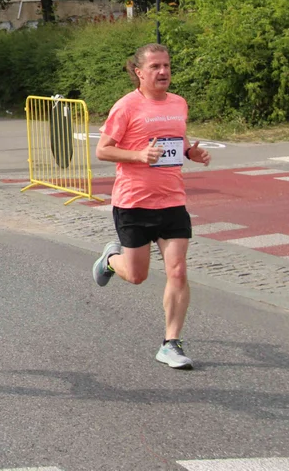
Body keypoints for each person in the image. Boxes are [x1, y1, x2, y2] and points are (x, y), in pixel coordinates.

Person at [92, 43, 211, 370]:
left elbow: (176, 138)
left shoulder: (178, 103)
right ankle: (110, 259)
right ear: (139, 72)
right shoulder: (127, 107)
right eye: (155, 66)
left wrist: (190, 153)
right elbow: (103, 150)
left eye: (167, 65)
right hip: (133, 203)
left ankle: (170, 343)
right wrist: (137, 156)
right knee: (137, 275)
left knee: (178, 270)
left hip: (172, 201)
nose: (163, 72)